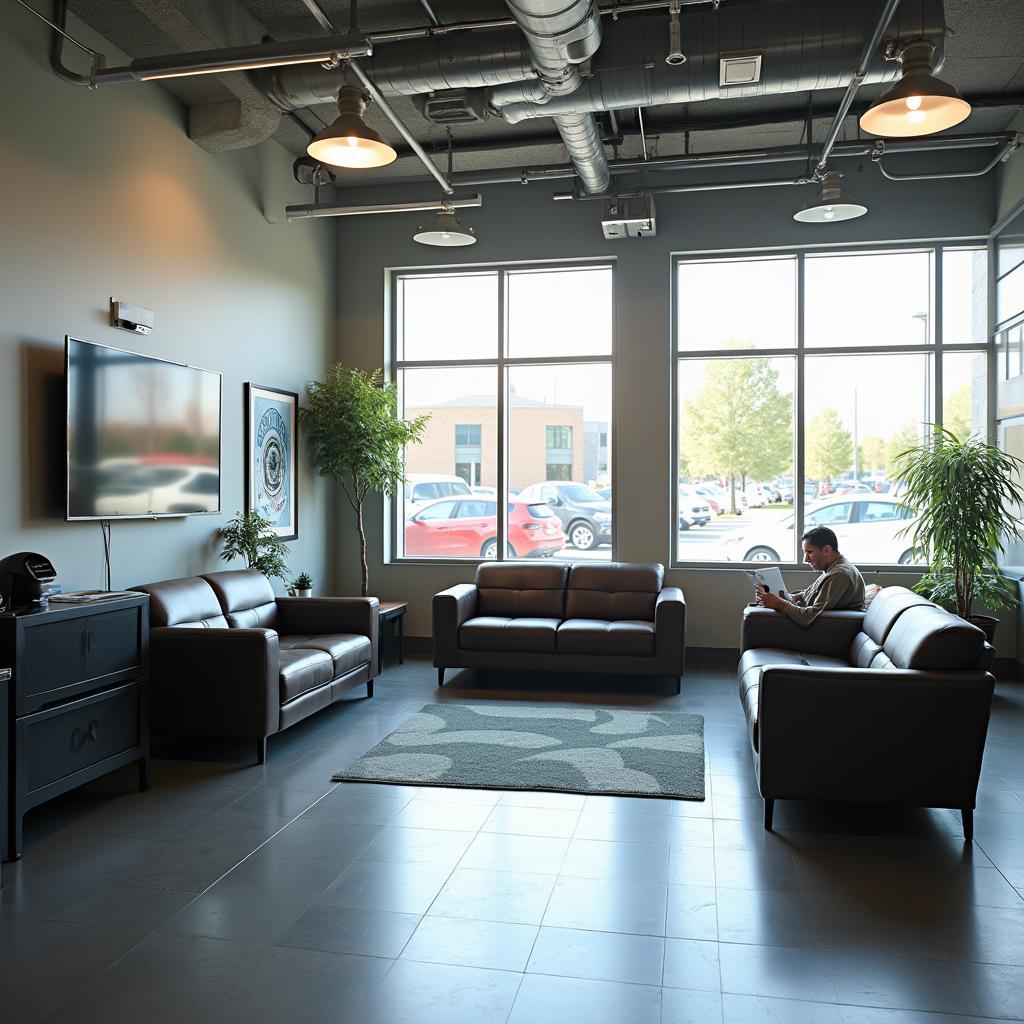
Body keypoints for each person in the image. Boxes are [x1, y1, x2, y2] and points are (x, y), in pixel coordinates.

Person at [757, 525, 866, 626]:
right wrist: (784, 597)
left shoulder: (839, 574)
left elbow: (809, 617)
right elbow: (812, 598)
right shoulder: (833, 568)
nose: (805, 559)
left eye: (809, 552)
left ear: (827, 550)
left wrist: (779, 604)